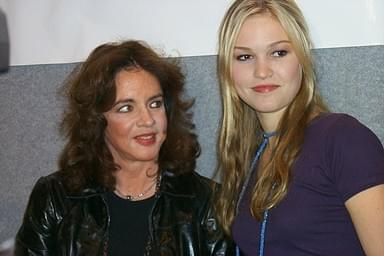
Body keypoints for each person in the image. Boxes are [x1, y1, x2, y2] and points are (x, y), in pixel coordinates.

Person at [15, 40, 233, 255]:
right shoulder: (55, 199)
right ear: (97, 120)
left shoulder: (208, 205)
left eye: (155, 104)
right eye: (126, 107)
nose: (147, 120)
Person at [214, 0, 384, 255]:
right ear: (228, 69)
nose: (262, 71)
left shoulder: (343, 139)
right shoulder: (250, 154)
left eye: (279, 52)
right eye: (245, 56)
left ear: (302, 58)